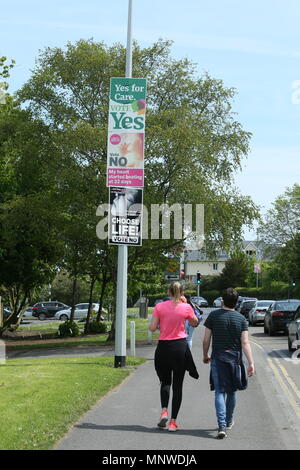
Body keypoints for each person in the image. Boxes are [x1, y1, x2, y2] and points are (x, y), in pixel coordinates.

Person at [202, 287, 255, 439]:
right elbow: (245, 343)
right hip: (235, 359)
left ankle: (222, 426)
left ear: (222, 300)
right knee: (231, 391)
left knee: (220, 391)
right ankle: (229, 420)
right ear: (236, 302)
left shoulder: (213, 316)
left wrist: (206, 355)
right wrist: (251, 363)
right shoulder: (241, 319)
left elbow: (206, 340)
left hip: (218, 357)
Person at [149, 282, 199, 432]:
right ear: (182, 293)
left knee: (165, 381)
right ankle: (173, 422)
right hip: (180, 348)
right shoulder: (186, 307)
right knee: (178, 385)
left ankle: (164, 410)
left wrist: (160, 325)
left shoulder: (159, 307)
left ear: (168, 292)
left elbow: (152, 328)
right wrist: (187, 307)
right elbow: (195, 322)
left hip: (164, 347)